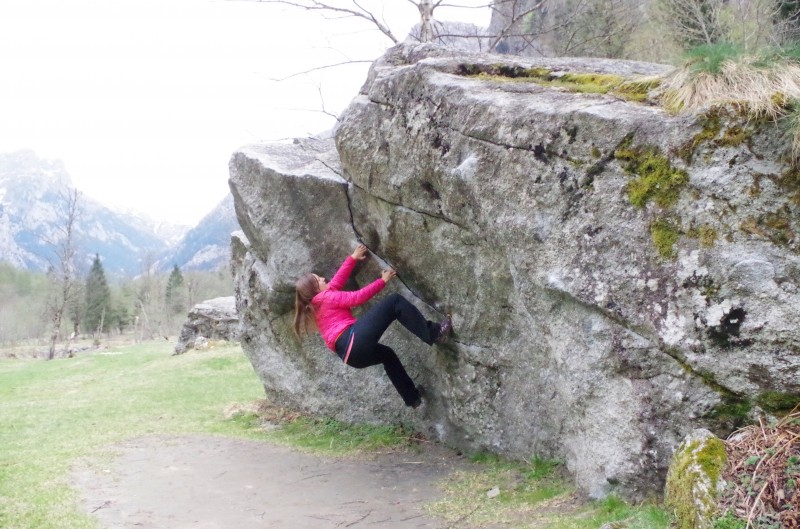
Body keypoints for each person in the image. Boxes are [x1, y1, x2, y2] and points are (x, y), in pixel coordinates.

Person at [293, 244, 452, 408]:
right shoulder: (326, 298)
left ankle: (412, 398)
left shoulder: (317, 303)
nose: (323, 279)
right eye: (318, 280)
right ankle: (435, 333)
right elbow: (357, 298)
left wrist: (352, 258)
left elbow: (335, 282)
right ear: (315, 289)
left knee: (388, 356)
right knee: (394, 302)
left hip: (351, 357)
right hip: (353, 341)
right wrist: (382, 281)